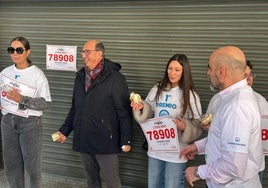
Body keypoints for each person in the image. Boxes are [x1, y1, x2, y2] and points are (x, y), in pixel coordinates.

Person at [53, 39, 133, 188]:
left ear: (100, 54)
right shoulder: (80, 77)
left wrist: (126, 139)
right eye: (83, 52)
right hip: (85, 137)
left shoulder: (115, 78)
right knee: (92, 181)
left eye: (87, 51)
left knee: (112, 181)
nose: (83, 55)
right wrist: (64, 131)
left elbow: (124, 112)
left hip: (106, 140)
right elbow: (75, 108)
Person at [180, 46, 263, 187]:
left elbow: (233, 165)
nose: (208, 73)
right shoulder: (234, 98)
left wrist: (197, 172)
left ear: (221, 71)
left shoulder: (236, 106)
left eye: (210, 68)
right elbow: (224, 138)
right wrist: (197, 146)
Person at [131, 54, 204, 188]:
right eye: (170, 68)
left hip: (177, 152)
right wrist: (141, 107)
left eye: (177, 70)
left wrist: (185, 127)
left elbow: (199, 123)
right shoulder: (157, 88)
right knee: (153, 185)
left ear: (184, 71)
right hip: (156, 149)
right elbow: (149, 109)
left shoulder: (190, 94)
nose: (172, 73)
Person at [0, 36, 52, 188]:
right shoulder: (4, 73)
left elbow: (45, 103)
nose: (15, 53)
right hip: (8, 122)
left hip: (30, 124)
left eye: (19, 50)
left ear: (28, 52)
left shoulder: (37, 74)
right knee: (11, 164)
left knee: (32, 166)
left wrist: (21, 99)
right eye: (11, 50)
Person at [245, 60, 268, 184]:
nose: (249, 79)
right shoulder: (218, 100)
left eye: (251, 75)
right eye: (244, 75)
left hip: (255, 168)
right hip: (226, 169)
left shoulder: (261, 102)